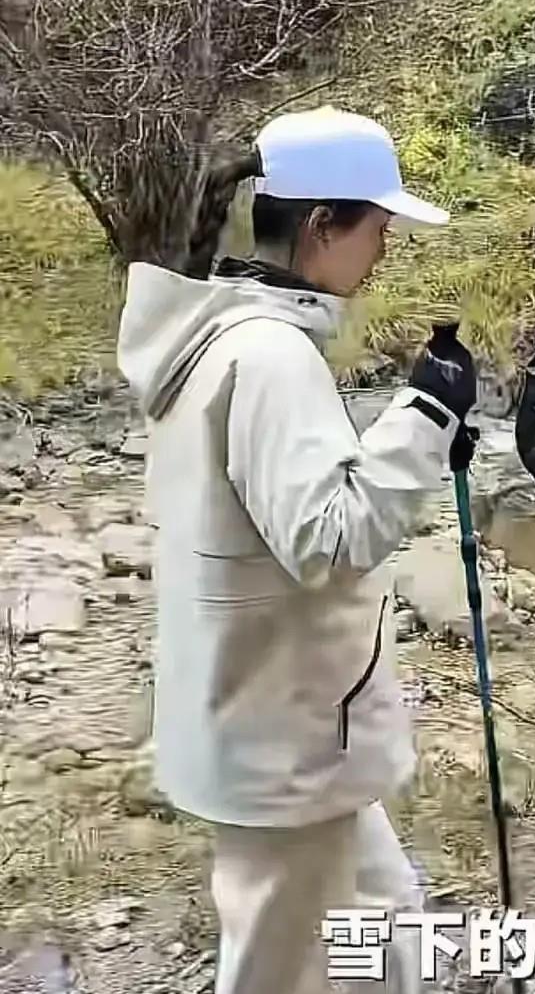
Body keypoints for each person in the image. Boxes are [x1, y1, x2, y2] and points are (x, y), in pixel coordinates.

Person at [116, 106, 478, 994]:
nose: (382, 251)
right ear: (322, 224)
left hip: (275, 718)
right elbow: (328, 537)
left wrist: (420, 431)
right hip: (283, 734)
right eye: (378, 228)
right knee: (282, 966)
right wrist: (426, 416)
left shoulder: (224, 337)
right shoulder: (269, 356)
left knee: (383, 928)